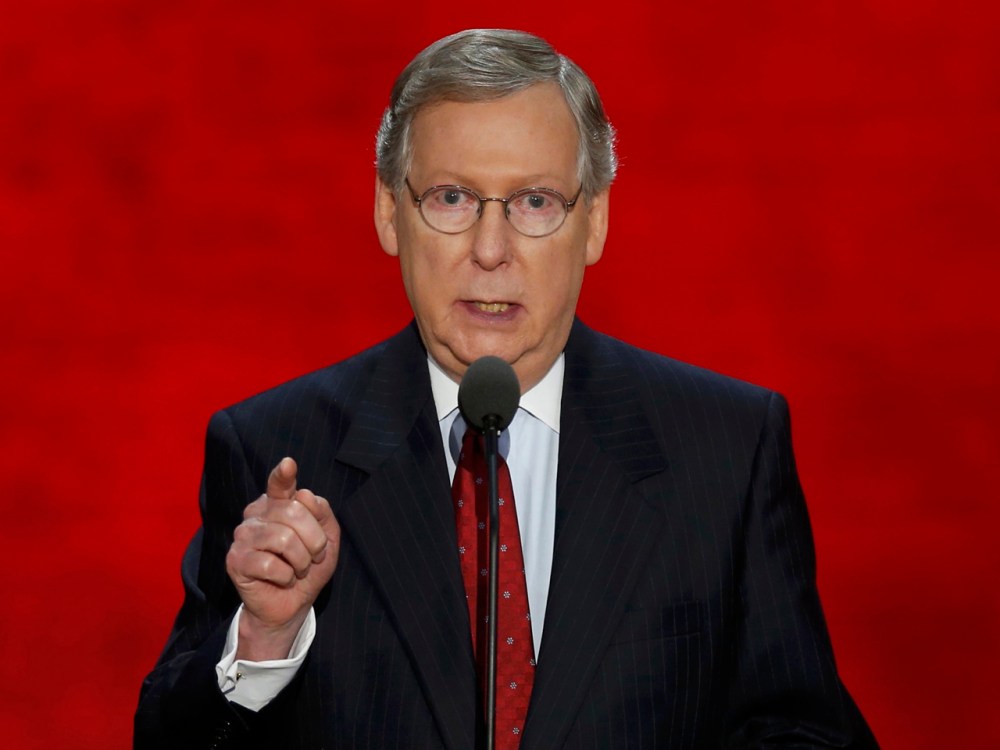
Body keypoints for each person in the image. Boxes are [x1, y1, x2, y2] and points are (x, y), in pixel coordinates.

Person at [135, 28, 877, 749]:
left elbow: (802, 730)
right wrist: (264, 639)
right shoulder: (273, 449)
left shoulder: (727, 448)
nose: (491, 251)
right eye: (453, 198)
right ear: (390, 212)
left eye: (535, 202)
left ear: (595, 222)